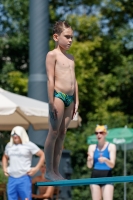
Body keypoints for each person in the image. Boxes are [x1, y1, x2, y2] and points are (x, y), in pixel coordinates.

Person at [44, 21, 79, 181]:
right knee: (54, 133)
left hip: (70, 99)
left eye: (72, 37)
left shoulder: (71, 58)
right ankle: (49, 171)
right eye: (67, 36)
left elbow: (74, 80)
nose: (70, 40)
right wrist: (51, 101)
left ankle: (56, 171)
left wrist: (77, 100)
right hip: (58, 96)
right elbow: (50, 79)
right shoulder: (52, 55)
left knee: (63, 133)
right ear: (56, 37)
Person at [2, 126, 44, 200]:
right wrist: (4, 168)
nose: (15, 136)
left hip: (24, 178)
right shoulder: (9, 146)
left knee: (26, 199)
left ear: (22, 134)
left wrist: (36, 169)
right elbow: (5, 157)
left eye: (17, 134)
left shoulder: (29, 145)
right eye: (13, 134)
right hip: (12, 178)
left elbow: (42, 154)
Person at [87, 125, 116, 200]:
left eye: (101, 132)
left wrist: (106, 160)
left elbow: (112, 165)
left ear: (105, 134)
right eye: (96, 133)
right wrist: (89, 160)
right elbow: (89, 166)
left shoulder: (111, 146)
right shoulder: (92, 147)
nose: (98, 135)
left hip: (107, 176)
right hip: (95, 176)